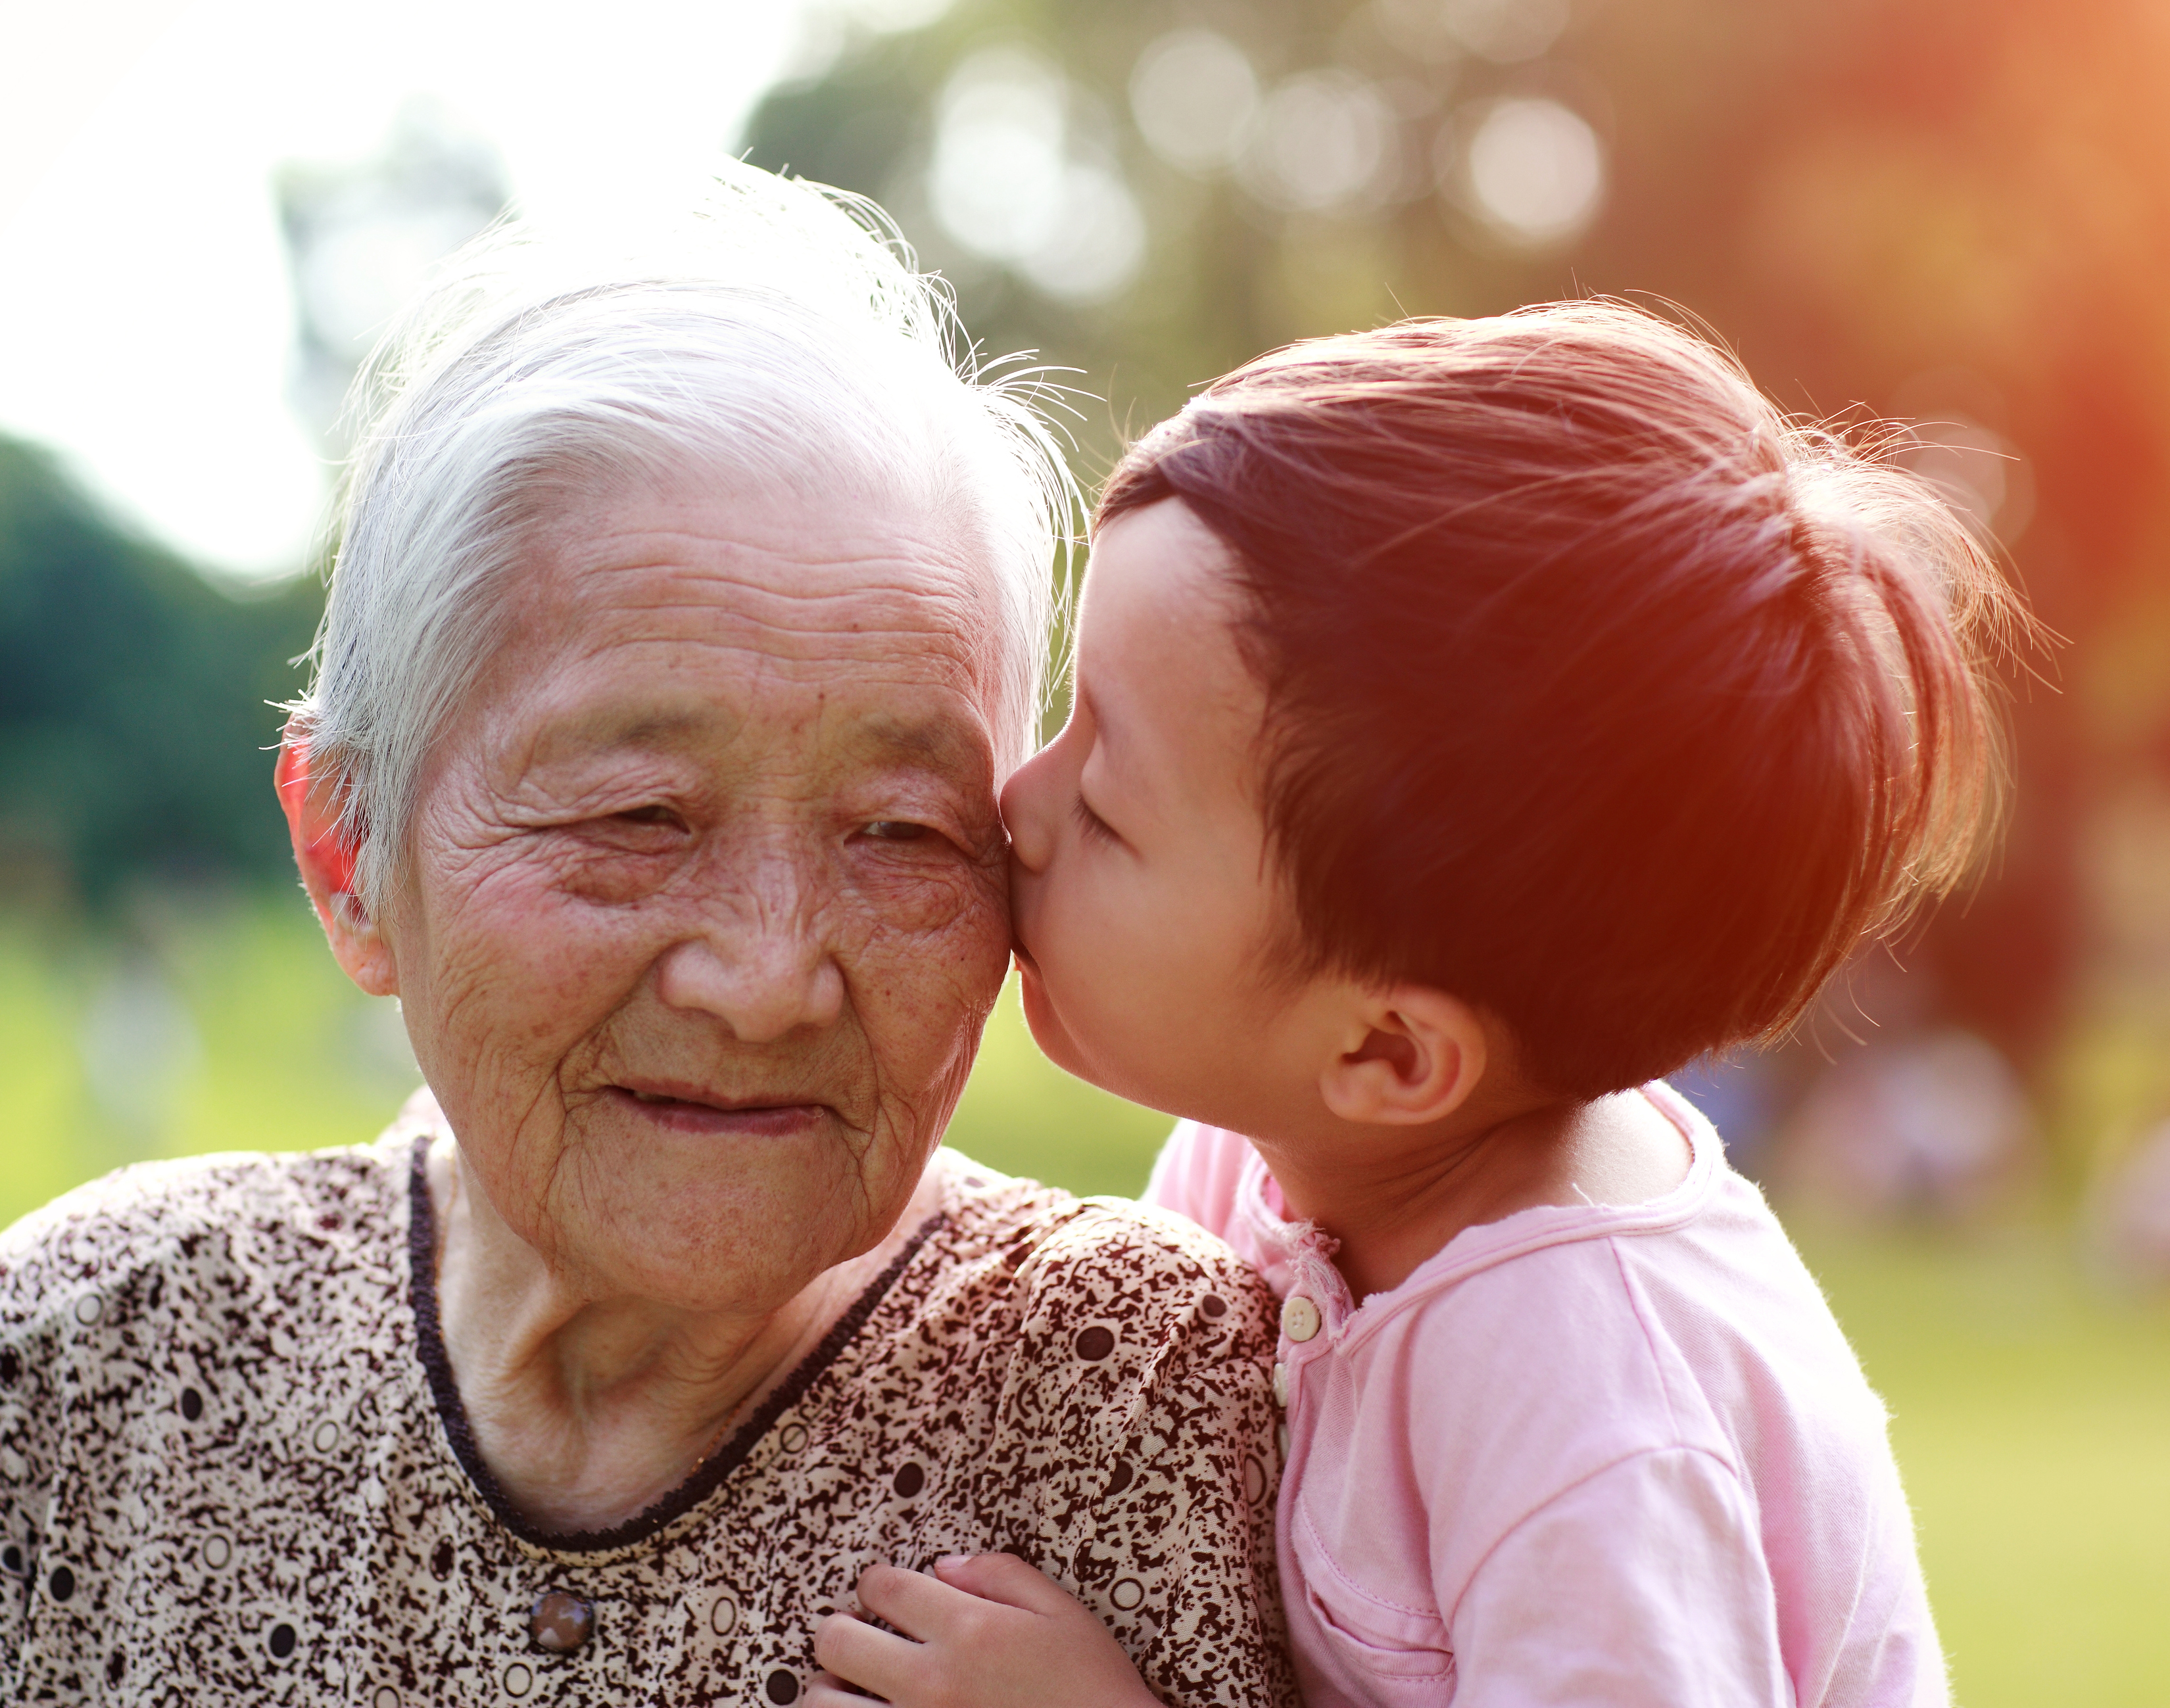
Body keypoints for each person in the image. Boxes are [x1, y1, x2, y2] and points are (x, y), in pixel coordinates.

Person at [0, 164, 1297, 1708]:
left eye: (901, 829)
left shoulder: (1144, 1384)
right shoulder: (91, 1350)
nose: (769, 973)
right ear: (347, 853)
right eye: (638, 816)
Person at [808, 303, 2015, 1707]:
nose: (1018, 800)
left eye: (1111, 804)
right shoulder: (1269, 1146)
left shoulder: (1589, 1409)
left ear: (1385, 1046)